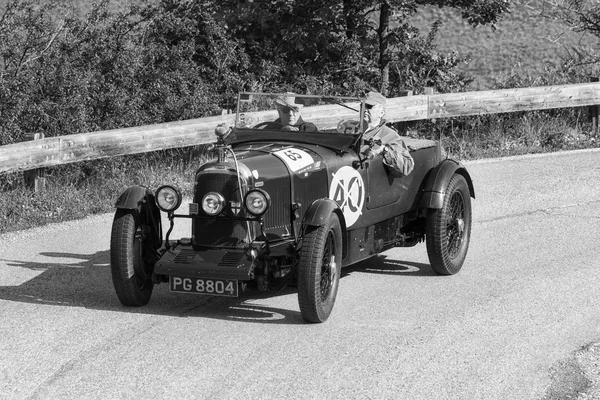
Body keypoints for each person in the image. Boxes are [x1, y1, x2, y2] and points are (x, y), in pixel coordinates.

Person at [360, 91, 414, 177]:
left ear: (381, 113)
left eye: (369, 106)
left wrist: (384, 150)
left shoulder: (389, 135)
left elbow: (407, 166)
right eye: (362, 106)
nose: (364, 109)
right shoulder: (351, 130)